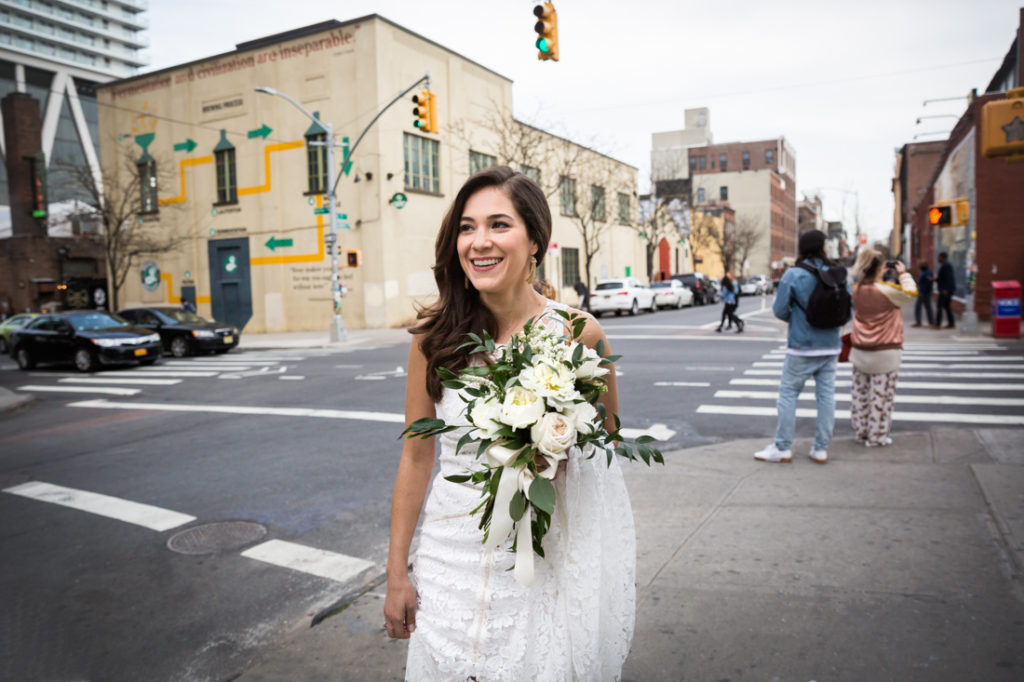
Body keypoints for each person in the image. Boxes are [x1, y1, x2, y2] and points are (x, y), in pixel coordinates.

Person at [384, 166, 636, 680]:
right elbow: (415, 455)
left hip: (539, 559)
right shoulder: (433, 337)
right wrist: (395, 575)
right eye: (466, 227)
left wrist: (551, 450)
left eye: (499, 225)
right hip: (448, 550)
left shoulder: (578, 333)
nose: (479, 242)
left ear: (536, 240)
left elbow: (607, 441)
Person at [754, 229, 851, 465]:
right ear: (823, 248)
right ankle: (820, 449)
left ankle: (783, 448)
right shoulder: (838, 274)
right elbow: (847, 311)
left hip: (802, 345)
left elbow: (779, 310)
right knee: (826, 395)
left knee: (788, 394)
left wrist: (799, 320)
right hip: (830, 345)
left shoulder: (793, 275)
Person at [849, 249, 917, 447]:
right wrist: (903, 274)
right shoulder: (887, 290)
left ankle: (860, 432)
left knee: (860, 397)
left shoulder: (856, 289)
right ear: (880, 267)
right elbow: (911, 293)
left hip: (860, 351)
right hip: (885, 353)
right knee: (881, 398)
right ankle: (876, 436)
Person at [934, 252, 956, 329]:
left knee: (940, 306)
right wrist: (935, 279)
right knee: (946, 306)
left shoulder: (946, 266)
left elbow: (949, 278)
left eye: (939, 257)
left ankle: (938, 324)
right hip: (946, 289)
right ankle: (951, 323)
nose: (938, 259)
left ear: (943, 257)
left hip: (945, 290)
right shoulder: (945, 265)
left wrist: (946, 289)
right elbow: (943, 278)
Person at [912, 261, 934, 327]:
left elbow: (928, 283)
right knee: (925, 308)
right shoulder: (924, 272)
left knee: (924, 308)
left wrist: (924, 292)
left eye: (920, 264)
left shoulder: (928, 272)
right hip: (923, 292)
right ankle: (921, 321)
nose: (919, 266)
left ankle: (930, 322)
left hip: (924, 293)